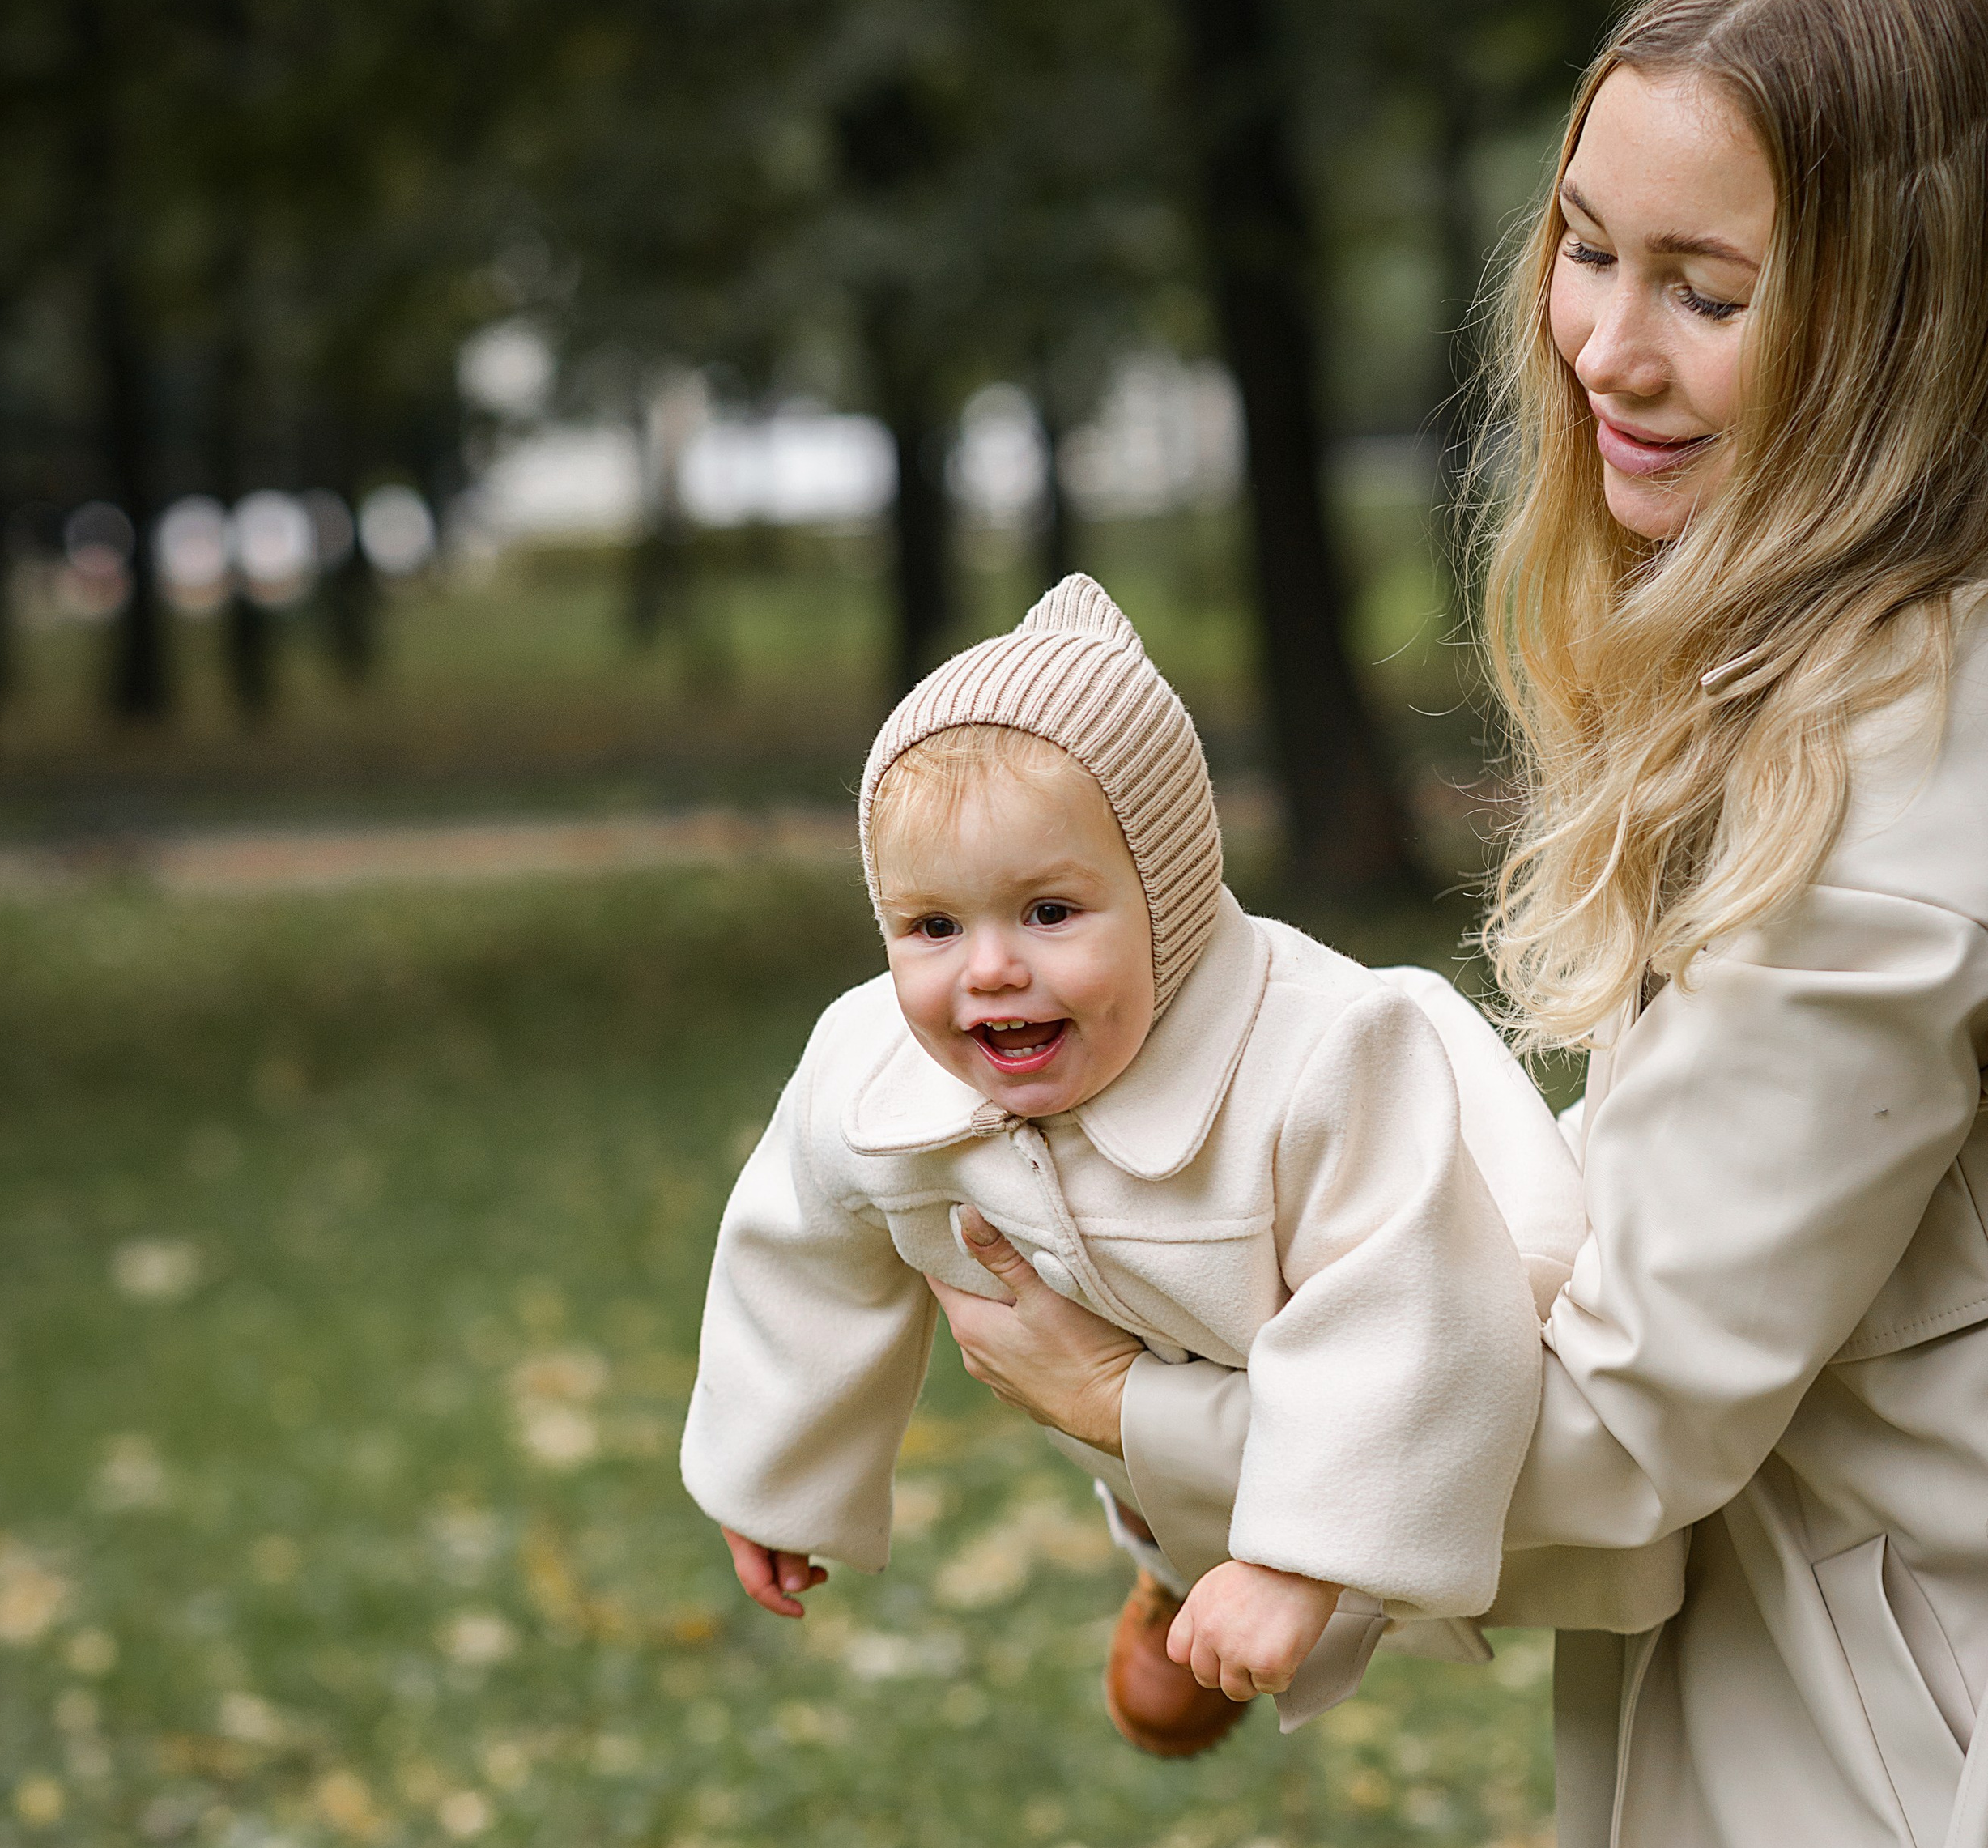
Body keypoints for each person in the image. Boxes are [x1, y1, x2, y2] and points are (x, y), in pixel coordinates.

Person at [929, 0, 1988, 1848]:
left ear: (1898, 320)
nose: (1609, 345)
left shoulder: (1901, 795)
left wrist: (1147, 1406)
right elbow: (1608, 1277)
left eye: (1712, 284)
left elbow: (1629, 1410)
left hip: (1903, 1825)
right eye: (1586, 243)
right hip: (1816, 1740)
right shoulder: (1836, 687)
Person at [679, 572, 1588, 1739]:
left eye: (1049, 913)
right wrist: (775, 1471)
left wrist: (1298, 1568)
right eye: (932, 927)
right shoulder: (870, 1068)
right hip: (1170, 1376)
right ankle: (1168, 1569)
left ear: (1165, 901)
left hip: (1434, 1301)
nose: (990, 970)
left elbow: (1413, 1309)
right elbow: (798, 1245)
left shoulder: (1319, 1064)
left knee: (1382, 1404)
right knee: (1150, 1451)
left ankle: (1257, 1575)